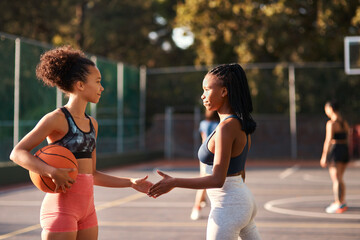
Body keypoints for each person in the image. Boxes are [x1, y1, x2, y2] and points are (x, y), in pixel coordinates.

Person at [9, 46, 153, 240]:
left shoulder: (92, 124)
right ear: (80, 85)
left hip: (88, 211)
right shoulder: (56, 119)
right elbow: (17, 153)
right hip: (61, 209)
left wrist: (130, 183)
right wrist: (51, 171)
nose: (102, 88)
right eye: (98, 82)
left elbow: (91, 174)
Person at [148, 63, 260, 240]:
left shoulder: (226, 127)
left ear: (224, 91)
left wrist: (174, 182)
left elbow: (217, 180)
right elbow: (241, 174)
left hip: (229, 206)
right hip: (241, 201)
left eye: (207, 89)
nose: (202, 95)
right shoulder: (239, 123)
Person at [320, 100, 350, 213]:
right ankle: (341, 201)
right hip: (344, 150)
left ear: (331, 109)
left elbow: (328, 140)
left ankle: (339, 203)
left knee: (336, 179)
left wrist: (324, 156)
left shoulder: (331, 124)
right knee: (340, 178)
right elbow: (347, 138)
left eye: (326, 109)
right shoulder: (344, 122)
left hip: (336, 151)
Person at [190, 109, 219, 220]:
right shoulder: (220, 124)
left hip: (204, 153)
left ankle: (201, 201)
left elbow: (203, 139)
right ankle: (196, 208)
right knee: (204, 182)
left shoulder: (203, 123)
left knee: (205, 179)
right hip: (214, 154)